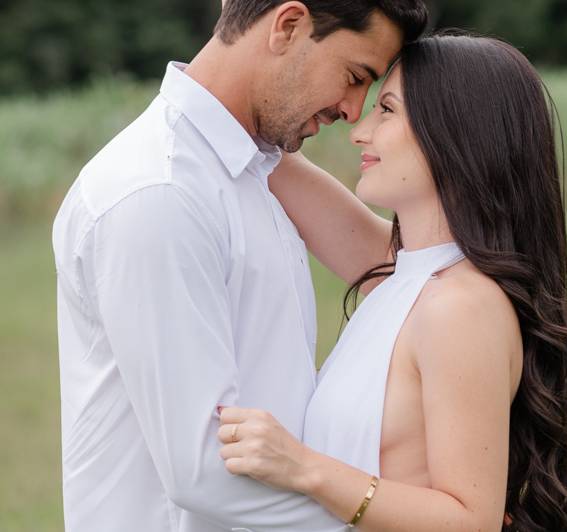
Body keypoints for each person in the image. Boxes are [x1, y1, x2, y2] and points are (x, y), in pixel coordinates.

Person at [51, 1, 427, 530]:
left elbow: (400, 273)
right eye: (354, 76)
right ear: (288, 26)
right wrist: (410, 517)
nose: (353, 110)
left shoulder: (252, 167)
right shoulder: (160, 191)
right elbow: (203, 468)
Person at [217, 34, 567, 531]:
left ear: (458, 134)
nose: (359, 131)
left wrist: (305, 468)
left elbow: (471, 520)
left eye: (388, 111)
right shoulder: (404, 276)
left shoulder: (460, 306)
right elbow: (260, 148)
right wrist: (247, 35)